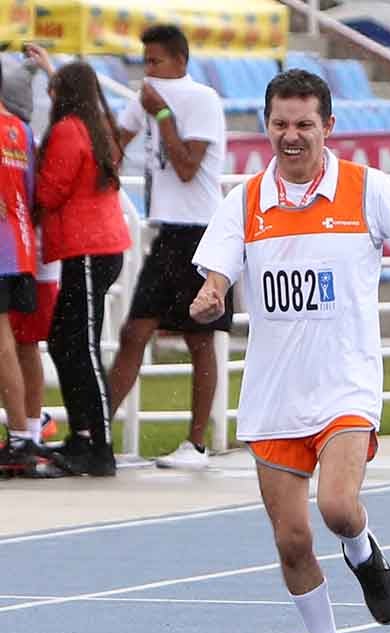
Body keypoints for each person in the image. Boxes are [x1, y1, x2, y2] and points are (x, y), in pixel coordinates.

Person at [190, 69, 390, 633]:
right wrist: (212, 291)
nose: (291, 136)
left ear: (328, 127)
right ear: (267, 127)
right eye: (280, 124)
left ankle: (363, 553)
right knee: (290, 540)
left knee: (336, 508)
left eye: (304, 124)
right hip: (274, 397)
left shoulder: (365, 189)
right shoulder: (246, 201)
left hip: (345, 387)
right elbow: (219, 271)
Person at [109, 24, 228, 470]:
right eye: (146, 62)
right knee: (134, 331)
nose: (150, 71)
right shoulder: (146, 101)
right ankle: (98, 430)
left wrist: (160, 117)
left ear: (180, 61)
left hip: (201, 231)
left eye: (157, 61)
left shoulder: (200, 100)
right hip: (167, 231)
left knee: (200, 339)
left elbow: (186, 167)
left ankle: (195, 443)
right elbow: (114, 145)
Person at [24, 49, 131, 477]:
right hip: (95, 249)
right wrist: (55, 70)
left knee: (81, 349)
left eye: (54, 90)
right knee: (64, 343)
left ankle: (99, 446)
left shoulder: (69, 131)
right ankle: (84, 435)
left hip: (86, 249)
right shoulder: (97, 124)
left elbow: (50, 192)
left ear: (62, 95)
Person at [0, 58, 42, 475]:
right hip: (20, 244)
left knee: (3, 344)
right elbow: (30, 193)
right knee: (12, 343)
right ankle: (22, 433)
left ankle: (17, 435)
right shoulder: (19, 129)